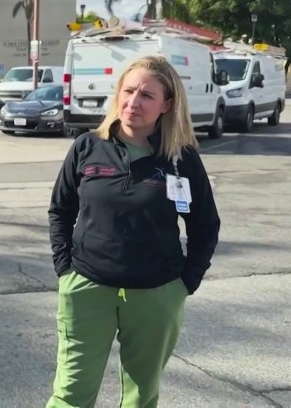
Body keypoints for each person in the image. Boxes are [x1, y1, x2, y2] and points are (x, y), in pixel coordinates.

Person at [46, 55, 221, 407]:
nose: (133, 102)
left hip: (156, 294)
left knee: (141, 396)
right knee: (70, 393)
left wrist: (185, 284)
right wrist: (65, 269)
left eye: (146, 95)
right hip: (87, 288)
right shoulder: (87, 147)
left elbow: (205, 224)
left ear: (166, 105)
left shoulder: (180, 158)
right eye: (128, 91)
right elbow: (61, 210)